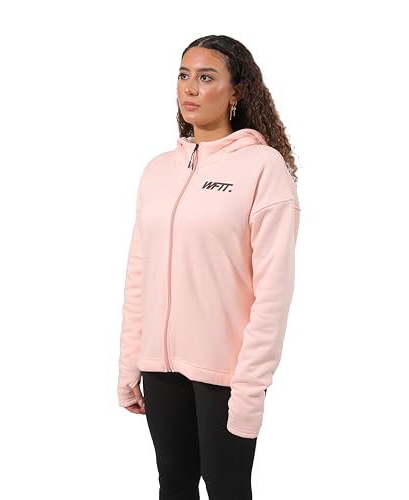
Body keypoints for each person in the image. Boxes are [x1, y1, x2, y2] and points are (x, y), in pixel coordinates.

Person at [117, 34, 301, 500]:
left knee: (227, 489)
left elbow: (273, 292)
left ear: (236, 91)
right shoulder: (158, 170)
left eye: (206, 76)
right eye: (184, 75)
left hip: (226, 373)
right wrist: (130, 363)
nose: (190, 87)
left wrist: (250, 388)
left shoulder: (262, 168)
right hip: (160, 369)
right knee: (174, 486)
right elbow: (139, 275)